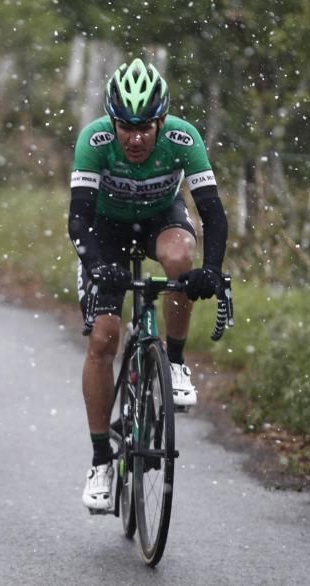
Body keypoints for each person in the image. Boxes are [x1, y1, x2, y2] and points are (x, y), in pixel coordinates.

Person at [67, 58, 228, 511]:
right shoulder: (94, 141)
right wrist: (98, 266)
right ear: (112, 121)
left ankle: (174, 360)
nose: (135, 139)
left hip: (161, 217)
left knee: (180, 259)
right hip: (107, 229)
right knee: (103, 338)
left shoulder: (183, 138)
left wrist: (210, 272)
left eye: (146, 128)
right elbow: (78, 218)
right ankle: (101, 459)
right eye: (126, 127)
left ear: (162, 121)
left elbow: (212, 213)